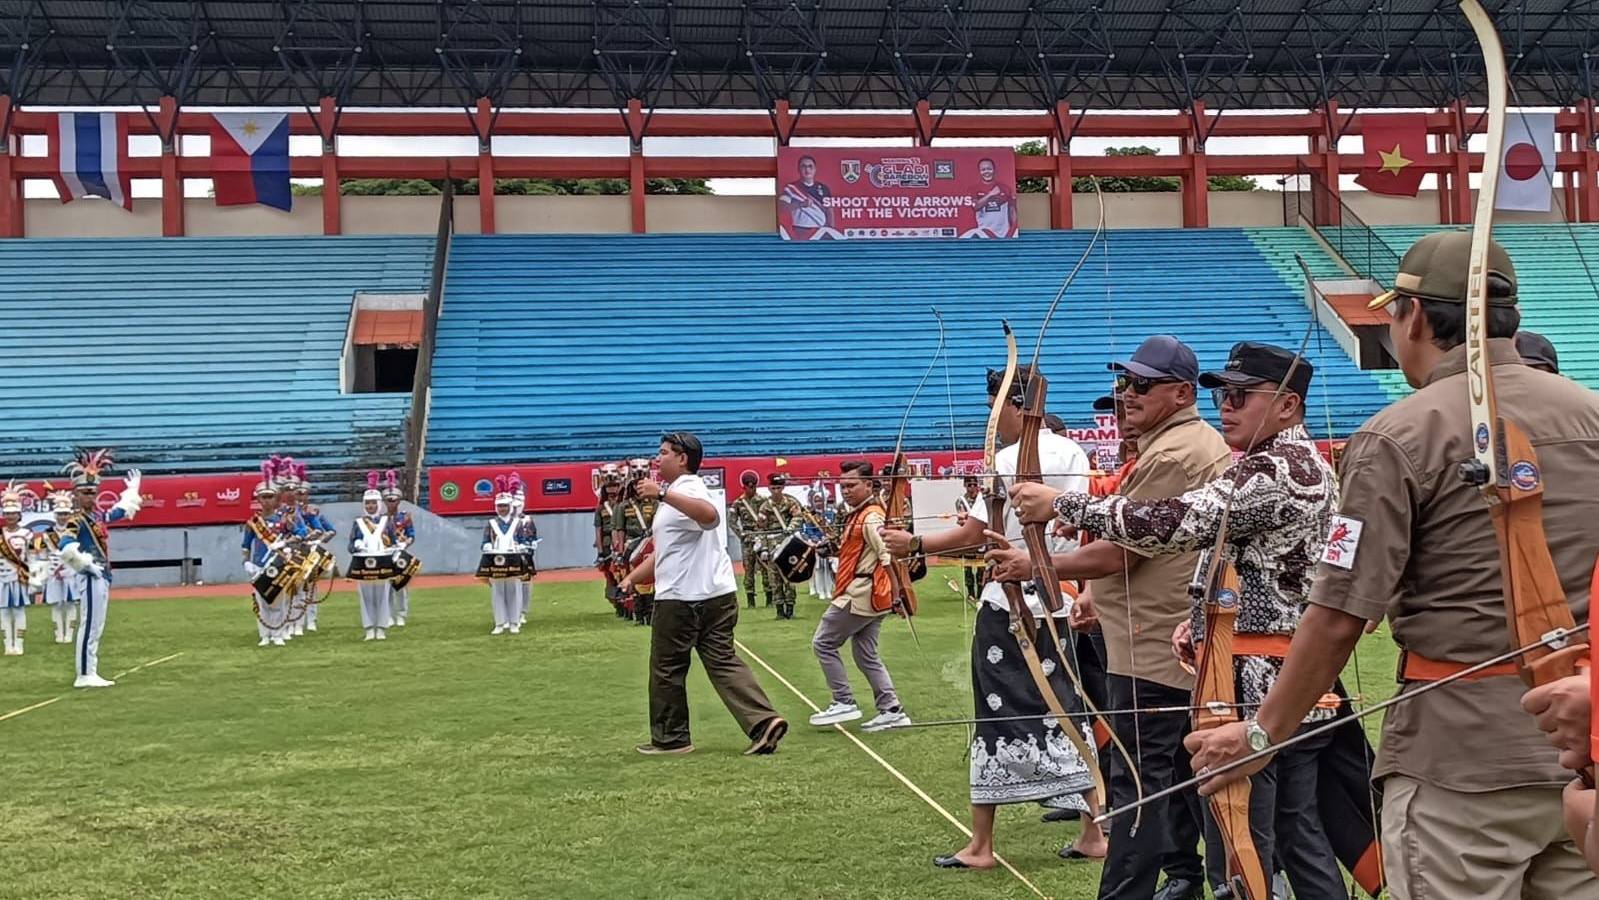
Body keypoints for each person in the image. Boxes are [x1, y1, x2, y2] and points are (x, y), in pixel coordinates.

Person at [1184, 232, 1599, 899]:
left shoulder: (1398, 433)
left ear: (1412, 317)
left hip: (1460, 764)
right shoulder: (1589, 416)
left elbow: (1340, 615)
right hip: (1580, 746)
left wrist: (1263, 730)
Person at [1006, 341, 1350, 900]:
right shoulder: (1286, 462)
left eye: (1241, 395)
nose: (1227, 406)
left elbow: (1175, 522)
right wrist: (1199, 617)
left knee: (1241, 842)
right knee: (1293, 834)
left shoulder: (1278, 467)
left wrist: (1062, 505)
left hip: (1255, 683)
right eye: (1222, 394)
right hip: (1270, 671)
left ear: (1287, 406)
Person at [882, 363, 1104, 869]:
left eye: (995, 406)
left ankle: (981, 845)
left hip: (1015, 602)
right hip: (1057, 599)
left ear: (1018, 406)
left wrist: (913, 543)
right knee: (1067, 707)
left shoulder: (1008, 457)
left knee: (996, 712)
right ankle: (1094, 830)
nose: (991, 417)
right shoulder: (1072, 451)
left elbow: (974, 534)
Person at [1057, 336, 1233, 900]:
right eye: (1124, 383)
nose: (1126, 394)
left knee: (1138, 781)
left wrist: (1035, 563)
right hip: (1159, 635)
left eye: (1141, 385)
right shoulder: (1176, 445)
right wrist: (1094, 592)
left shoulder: (1174, 453)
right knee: (1175, 777)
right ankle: (1184, 877)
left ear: (1182, 393)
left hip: (1154, 645)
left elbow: (1124, 548)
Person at [621, 431, 788, 757]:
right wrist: (631, 579)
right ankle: (763, 721)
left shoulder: (689, 491)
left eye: (664, 452)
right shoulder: (682, 495)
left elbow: (710, 517)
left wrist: (662, 492)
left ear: (682, 459)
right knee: (722, 659)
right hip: (717, 593)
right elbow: (666, 551)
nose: (658, 458)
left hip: (683, 597)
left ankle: (671, 739)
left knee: (667, 668)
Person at [807, 459, 909, 732]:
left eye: (852, 485)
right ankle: (891, 709)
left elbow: (888, 555)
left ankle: (843, 701)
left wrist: (899, 595)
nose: (846, 491)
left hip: (861, 593)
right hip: (870, 593)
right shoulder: (859, 514)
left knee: (823, 643)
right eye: (843, 486)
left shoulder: (872, 516)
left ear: (869, 485)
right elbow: (861, 552)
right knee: (866, 653)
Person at [57, 449, 141, 688]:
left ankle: (90, 670)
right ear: (76, 495)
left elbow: (119, 512)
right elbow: (65, 546)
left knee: (97, 625)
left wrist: (132, 491)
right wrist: (84, 563)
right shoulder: (76, 520)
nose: (90, 497)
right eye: (85, 493)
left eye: (93, 493)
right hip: (90, 575)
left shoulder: (96, 517)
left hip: (102, 574)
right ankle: (84, 673)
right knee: (89, 623)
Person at [243, 465, 288, 647]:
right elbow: (246, 545)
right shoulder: (253, 523)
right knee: (262, 603)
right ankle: (264, 635)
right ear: (259, 499)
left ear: (276, 498)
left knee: (278, 601)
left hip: (277, 564)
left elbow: (298, 536)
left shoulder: (284, 520)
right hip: (259, 565)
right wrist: (246, 562)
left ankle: (278, 634)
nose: (267, 501)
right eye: (264, 497)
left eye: (270, 497)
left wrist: (285, 544)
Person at [349, 472, 394, 641]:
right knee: (365, 596)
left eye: (373, 503)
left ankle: (381, 627)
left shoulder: (386, 521)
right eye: (367, 504)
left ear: (379, 504)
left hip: (382, 562)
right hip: (364, 564)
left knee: (383, 595)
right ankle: (369, 628)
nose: (370, 506)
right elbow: (350, 544)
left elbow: (393, 541)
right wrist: (357, 546)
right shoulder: (358, 522)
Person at [481, 478, 525, 636]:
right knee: (497, 592)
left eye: (505, 506)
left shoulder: (517, 523)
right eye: (500, 506)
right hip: (496, 560)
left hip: (513, 559)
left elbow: (522, 540)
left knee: (515, 590)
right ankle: (500, 622)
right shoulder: (491, 523)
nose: (502, 509)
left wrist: (521, 546)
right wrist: (487, 546)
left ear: (510, 506)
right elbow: (485, 540)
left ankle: (514, 621)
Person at [760, 473, 805, 620]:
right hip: (773, 546)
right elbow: (763, 529)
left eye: (779, 487)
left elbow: (798, 517)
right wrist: (764, 548)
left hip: (788, 545)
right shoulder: (765, 506)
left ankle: (790, 608)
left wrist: (791, 528)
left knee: (789, 578)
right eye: (773, 488)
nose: (776, 491)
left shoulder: (791, 502)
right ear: (769, 488)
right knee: (775, 579)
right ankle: (779, 610)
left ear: (783, 487)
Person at [37, 488, 79, 645]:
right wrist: (48, 570)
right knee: (56, 604)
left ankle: (69, 634)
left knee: (70, 603)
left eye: (65, 513)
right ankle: (58, 634)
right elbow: (43, 554)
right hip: (53, 572)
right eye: (60, 514)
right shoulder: (47, 533)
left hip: (71, 571)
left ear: (70, 514)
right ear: (55, 515)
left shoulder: (75, 530)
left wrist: (71, 569)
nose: (63, 516)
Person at [382, 472, 416, 627]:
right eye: (388, 501)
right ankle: (388, 615)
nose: (391, 503)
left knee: (401, 586)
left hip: (401, 553)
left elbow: (411, 535)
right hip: (385, 553)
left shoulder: (405, 517)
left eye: (393, 500)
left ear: (398, 501)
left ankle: (401, 614)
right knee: (386, 587)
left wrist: (405, 544)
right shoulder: (381, 518)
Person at [728, 472, 766, 609]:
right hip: (747, 539)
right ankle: (751, 599)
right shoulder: (738, 503)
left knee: (766, 568)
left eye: (754, 487)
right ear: (744, 487)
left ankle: (770, 597)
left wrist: (765, 531)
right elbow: (731, 522)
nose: (752, 490)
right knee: (748, 569)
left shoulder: (763, 500)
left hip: (762, 537)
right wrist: (741, 535)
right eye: (749, 487)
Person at [595, 465, 627, 615]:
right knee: (611, 574)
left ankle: (628, 602)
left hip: (623, 542)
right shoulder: (601, 509)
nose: (613, 492)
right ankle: (616, 600)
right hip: (608, 544)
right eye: (610, 489)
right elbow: (598, 530)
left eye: (615, 488)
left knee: (625, 572)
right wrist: (601, 552)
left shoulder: (624, 505)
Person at [0, 486, 28, 656]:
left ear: (19, 515)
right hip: (1, 578)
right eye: (7, 513)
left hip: (19, 578)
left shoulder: (27, 534)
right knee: (3, 611)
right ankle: (7, 644)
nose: (10, 516)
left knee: (18, 610)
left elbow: (32, 557)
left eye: (13, 513)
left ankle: (19, 643)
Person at [779, 154, 834, 237]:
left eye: (810, 166)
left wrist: (830, 228)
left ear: (815, 169)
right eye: (803, 166)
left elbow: (829, 210)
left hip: (821, 230)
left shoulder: (824, 188)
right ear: (798, 169)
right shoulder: (791, 188)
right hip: (801, 230)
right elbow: (782, 207)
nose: (807, 169)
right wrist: (800, 204)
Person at [953, 476, 985, 602]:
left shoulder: (982, 499)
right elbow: (961, 517)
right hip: (967, 535)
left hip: (981, 535)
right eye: (969, 485)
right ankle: (971, 592)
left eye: (974, 485)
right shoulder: (961, 501)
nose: (972, 488)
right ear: (965, 486)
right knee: (968, 566)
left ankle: (981, 592)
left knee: (982, 567)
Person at [972, 157, 1016, 238]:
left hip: (1004, 233)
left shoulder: (1005, 188)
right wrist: (990, 194)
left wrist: (1013, 229)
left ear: (994, 169)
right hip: (984, 233)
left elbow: (1012, 210)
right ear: (979, 171)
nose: (986, 172)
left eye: (989, 169)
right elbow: (976, 207)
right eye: (983, 169)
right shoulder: (975, 189)